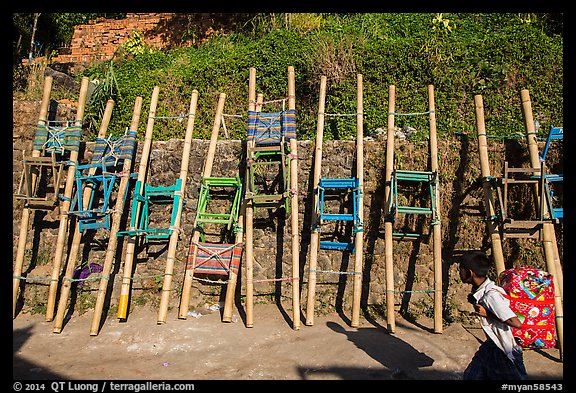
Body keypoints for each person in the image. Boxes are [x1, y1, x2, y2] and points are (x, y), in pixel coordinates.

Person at [459, 250, 527, 380]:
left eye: (460, 270)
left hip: (504, 349)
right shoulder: (483, 290)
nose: (459, 273)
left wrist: (487, 314)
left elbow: (516, 322)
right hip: (492, 345)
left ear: (470, 272)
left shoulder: (491, 295)